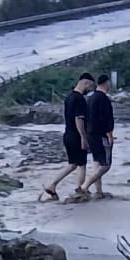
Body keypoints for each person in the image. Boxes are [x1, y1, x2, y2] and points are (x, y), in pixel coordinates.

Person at [41, 73, 94, 202]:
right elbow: (78, 119)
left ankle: (52, 185)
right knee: (81, 164)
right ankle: (80, 191)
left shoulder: (69, 97)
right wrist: (83, 137)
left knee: (73, 164)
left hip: (68, 135)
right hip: (76, 135)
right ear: (85, 83)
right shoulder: (79, 99)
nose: (89, 90)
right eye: (90, 87)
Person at [82, 69, 115, 199]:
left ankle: (98, 191)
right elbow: (106, 118)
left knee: (97, 162)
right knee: (105, 165)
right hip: (100, 134)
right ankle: (84, 187)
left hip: (90, 134)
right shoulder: (103, 99)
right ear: (106, 83)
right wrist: (110, 135)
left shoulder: (90, 98)